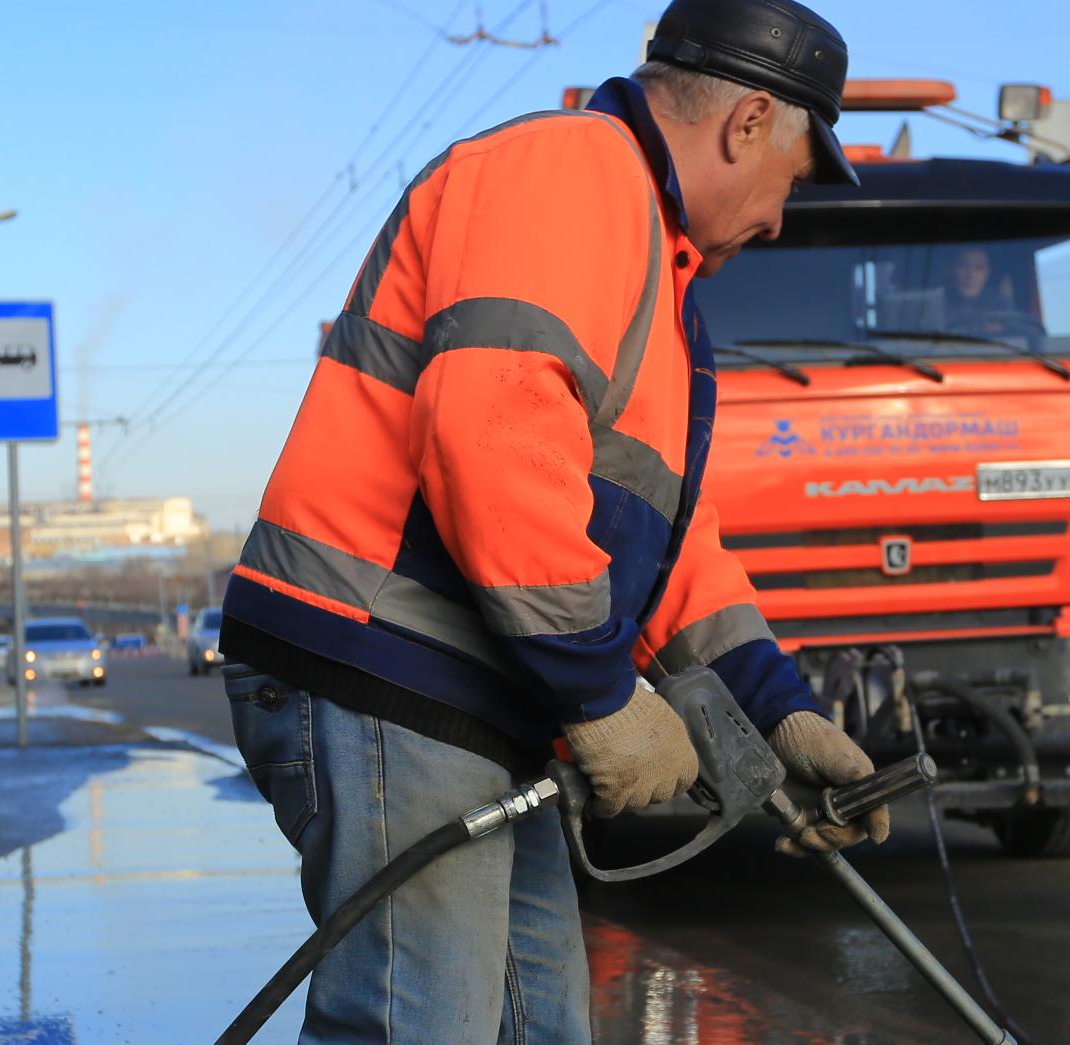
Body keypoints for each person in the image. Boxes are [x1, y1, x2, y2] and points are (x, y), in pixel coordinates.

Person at [215, 1, 885, 1041]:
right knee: (415, 1024)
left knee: (542, 1025)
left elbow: (666, 549)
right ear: (748, 121)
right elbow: (494, 439)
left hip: (462, 699)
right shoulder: (575, 176)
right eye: (794, 181)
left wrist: (781, 708)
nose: (780, 218)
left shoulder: (658, 278)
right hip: (383, 668)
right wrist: (601, 691)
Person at [939, 245, 1025, 337]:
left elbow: (1020, 335)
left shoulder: (1002, 303)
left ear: (987, 272)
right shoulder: (935, 303)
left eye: (979, 267)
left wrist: (1002, 329)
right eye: (963, 265)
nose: (970, 275)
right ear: (952, 269)